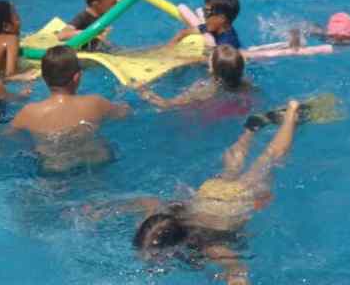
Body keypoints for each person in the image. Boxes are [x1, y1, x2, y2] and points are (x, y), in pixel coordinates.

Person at [111, 101, 302, 284]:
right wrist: (104, 209)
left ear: (175, 246)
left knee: (270, 158)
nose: (148, 258)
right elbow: (146, 201)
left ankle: (292, 111)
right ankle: (250, 129)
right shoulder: (161, 219)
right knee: (232, 168)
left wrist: (236, 279)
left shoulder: (206, 246)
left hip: (236, 199)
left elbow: (237, 266)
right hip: (210, 192)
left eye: (153, 255)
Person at [7, 46, 130, 171]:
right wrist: (127, 92)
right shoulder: (95, 103)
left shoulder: (29, 112)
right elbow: (125, 113)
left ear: (43, 77)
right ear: (77, 77)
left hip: (54, 167)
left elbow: (8, 135)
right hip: (96, 161)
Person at [138, 45, 252, 111]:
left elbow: (166, 105)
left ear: (211, 69)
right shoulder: (246, 84)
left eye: (210, 58)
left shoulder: (205, 90)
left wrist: (143, 90)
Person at [169, 0, 243, 50]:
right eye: (204, 11)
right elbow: (183, 32)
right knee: (182, 8)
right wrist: (169, 48)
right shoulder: (215, 26)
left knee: (209, 41)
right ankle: (200, 11)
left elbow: (206, 60)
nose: (204, 16)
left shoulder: (226, 44)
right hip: (212, 34)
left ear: (221, 18)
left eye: (207, 12)